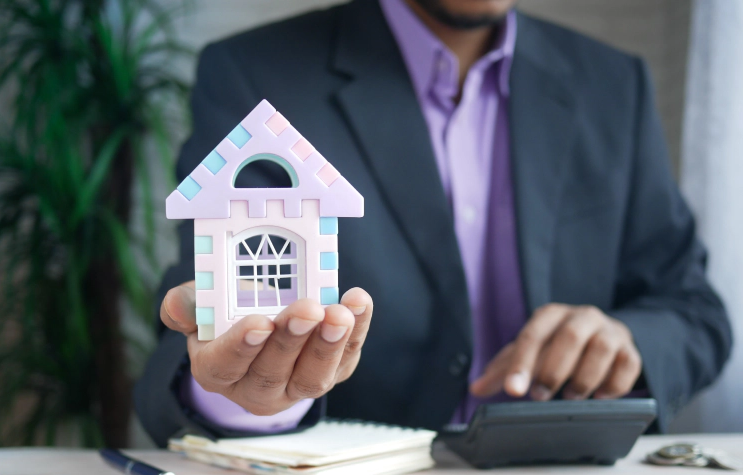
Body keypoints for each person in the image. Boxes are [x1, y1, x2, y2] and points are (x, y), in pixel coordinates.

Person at [135, 0, 732, 447]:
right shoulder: (254, 74)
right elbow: (207, 317)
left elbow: (694, 311)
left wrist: (628, 342)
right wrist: (249, 397)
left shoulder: (613, 84)